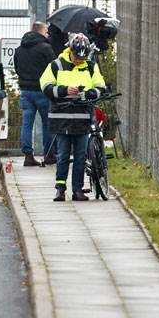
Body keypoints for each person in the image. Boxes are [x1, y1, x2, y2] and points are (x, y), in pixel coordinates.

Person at [40, 33, 106, 202]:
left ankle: (77, 190)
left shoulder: (90, 67)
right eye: (77, 57)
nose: (79, 60)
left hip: (82, 117)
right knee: (62, 155)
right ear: (71, 51)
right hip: (61, 118)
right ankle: (60, 189)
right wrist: (64, 90)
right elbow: (46, 86)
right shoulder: (56, 65)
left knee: (80, 156)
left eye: (83, 58)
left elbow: (100, 86)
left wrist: (90, 93)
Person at [13, 21, 56, 167]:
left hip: (25, 91)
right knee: (47, 123)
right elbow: (54, 68)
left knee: (26, 124)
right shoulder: (45, 48)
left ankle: (28, 155)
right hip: (43, 91)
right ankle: (49, 154)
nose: (47, 34)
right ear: (40, 31)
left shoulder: (19, 49)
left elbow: (17, 68)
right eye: (46, 31)